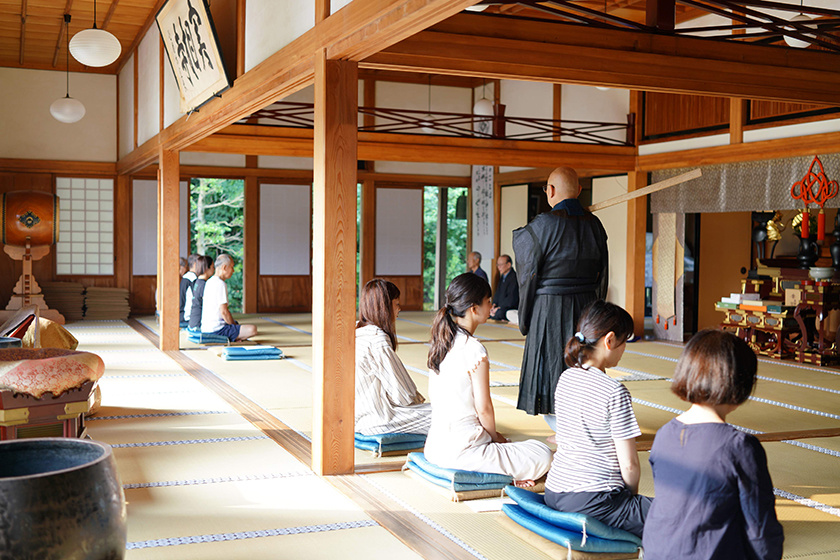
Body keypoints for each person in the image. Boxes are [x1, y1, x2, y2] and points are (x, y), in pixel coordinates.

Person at [642, 330, 784, 559]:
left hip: (657, 551)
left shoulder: (664, 435)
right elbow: (761, 528)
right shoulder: (740, 447)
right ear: (740, 383)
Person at [424, 273, 552, 486]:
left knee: (518, 448)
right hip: (464, 451)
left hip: (435, 448)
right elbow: (484, 408)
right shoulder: (474, 349)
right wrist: (495, 438)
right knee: (543, 453)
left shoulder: (441, 341)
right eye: (488, 301)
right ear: (474, 309)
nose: (492, 305)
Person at [544, 300, 651, 538]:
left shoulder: (565, 378)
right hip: (595, 502)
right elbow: (630, 465)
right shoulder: (614, 391)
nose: (625, 349)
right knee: (680, 518)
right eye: (625, 342)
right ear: (610, 340)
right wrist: (629, 497)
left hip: (554, 491)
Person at [513, 166, 609, 416]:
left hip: (549, 307)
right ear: (578, 190)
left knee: (552, 364)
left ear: (551, 190)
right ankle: (587, 418)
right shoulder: (595, 225)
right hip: (588, 306)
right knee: (585, 362)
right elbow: (603, 272)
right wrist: (598, 311)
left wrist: (526, 317)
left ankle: (560, 423)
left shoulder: (543, 224)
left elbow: (527, 273)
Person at [355, 279, 431, 435]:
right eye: (397, 304)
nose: (399, 309)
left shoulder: (357, 331)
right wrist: (417, 401)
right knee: (454, 416)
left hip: (357, 414)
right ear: (385, 307)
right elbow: (402, 395)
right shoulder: (377, 340)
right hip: (378, 418)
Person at [200, 254, 257, 341]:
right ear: (224, 267)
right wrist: (234, 326)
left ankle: (235, 337)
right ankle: (232, 338)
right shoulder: (220, 284)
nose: (233, 270)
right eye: (232, 267)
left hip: (206, 328)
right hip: (217, 330)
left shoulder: (209, 281)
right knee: (252, 329)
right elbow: (224, 312)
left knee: (237, 325)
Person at [490, 254, 518, 321]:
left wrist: (499, 308)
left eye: (501, 265)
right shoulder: (502, 277)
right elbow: (497, 294)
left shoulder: (514, 278)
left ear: (508, 265)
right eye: (497, 265)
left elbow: (511, 299)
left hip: (509, 307)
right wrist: (494, 305)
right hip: (500, 307)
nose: (499, 267)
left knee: (500, 313)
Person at [188, 256, 212, 331]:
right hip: (199, 324)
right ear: (206, 268)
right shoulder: (204, 285)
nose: (214, 270)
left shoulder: (198, 282)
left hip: (193, 321)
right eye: (212, 267)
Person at [179, 254, 198, 328]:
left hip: (181, 315)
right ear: (195, 264)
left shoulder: (186, 278)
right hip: (186, 318)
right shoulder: (191, 279)